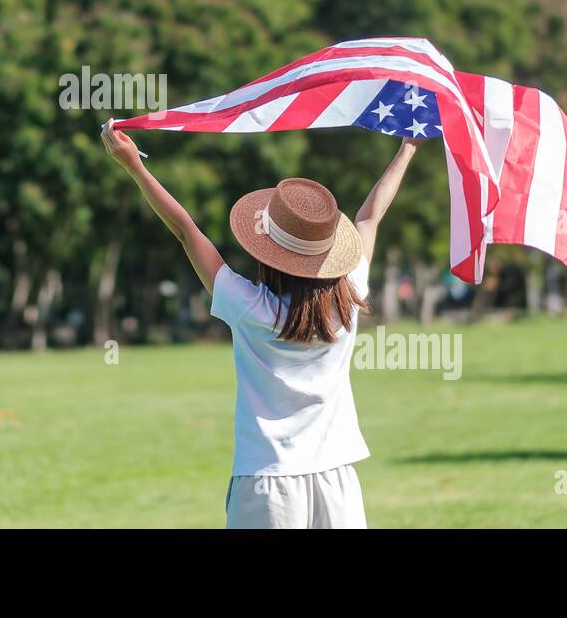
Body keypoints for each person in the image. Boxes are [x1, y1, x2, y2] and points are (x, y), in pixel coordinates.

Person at [102, 119, 422, 528]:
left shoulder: (248, 306)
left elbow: (186, 230)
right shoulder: (349, 297)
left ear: (268, 253)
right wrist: (407, 149)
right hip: (337, 477)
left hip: (267, 481)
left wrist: (135, 166)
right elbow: (371, 217)